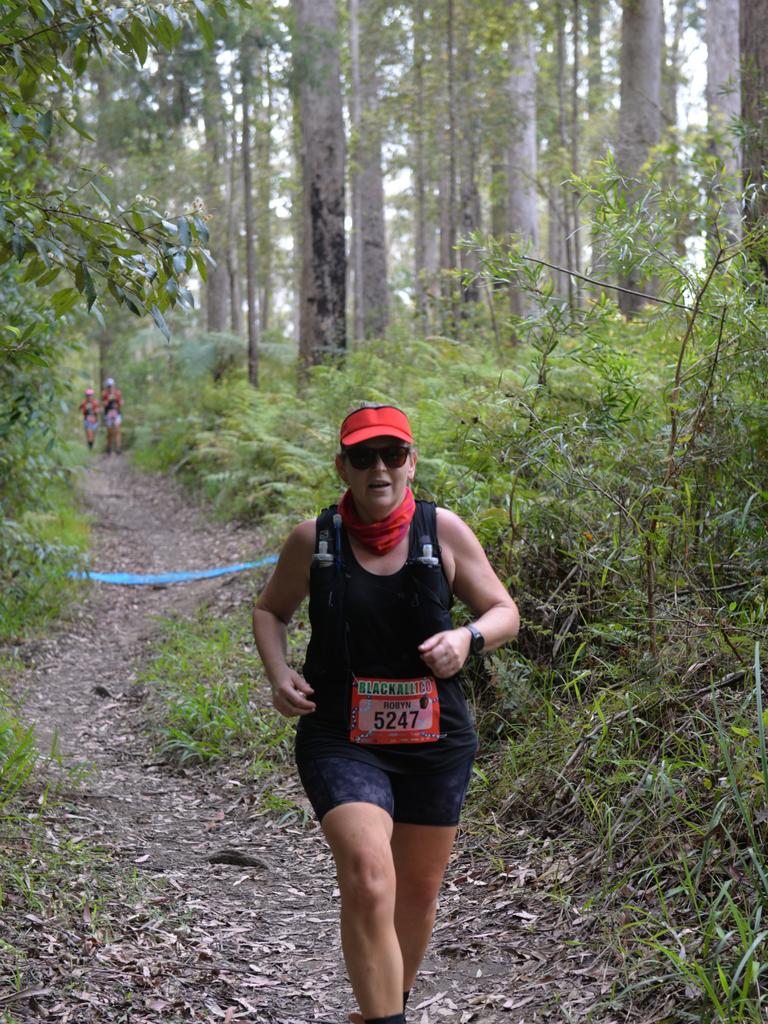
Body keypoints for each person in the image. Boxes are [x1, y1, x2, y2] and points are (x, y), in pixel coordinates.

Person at [252, 404, 519, 1024]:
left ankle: (381, 1009)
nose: (380, 468)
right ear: (342, 467)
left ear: (411, 463)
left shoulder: (442, 532)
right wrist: (278, 672)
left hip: (436, 741)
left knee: (417, 895)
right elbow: (271, 611)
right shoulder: (313, 540)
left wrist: (467, 639)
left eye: (392, 455)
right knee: (371, 875)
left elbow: (504, 610)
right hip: (341, 737)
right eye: (364, 457)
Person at [102, 377, 123, 454]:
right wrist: (108, 400)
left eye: (111, 386)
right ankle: (109, 447)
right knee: (109, 432)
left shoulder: (118, 393)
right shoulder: (105, 394)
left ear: (114, 385)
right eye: (109, 386)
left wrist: (119, 403)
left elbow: (120, 403)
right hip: (108, 414)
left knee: (117, 431)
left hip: (117, 413)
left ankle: (118, 448)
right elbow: (104, 404)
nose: (110, 387)